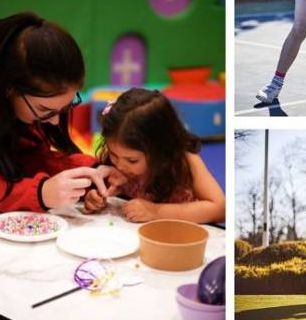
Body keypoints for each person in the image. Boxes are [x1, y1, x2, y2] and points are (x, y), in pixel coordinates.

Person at [0, 13, 115, 212]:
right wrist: (39, 193)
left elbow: (26, 156)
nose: (54, 122)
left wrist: (91, 172)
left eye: (64, 108)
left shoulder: (17, 62)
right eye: (44, 110)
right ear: (9, 88)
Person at [83, 88, 225, 223]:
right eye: (113, 154)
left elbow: (220, 209)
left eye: (132, 160)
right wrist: (96, 198)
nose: (120, 165)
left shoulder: (184, 162)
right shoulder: (117, 157)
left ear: (160, 149)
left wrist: (155, 212)